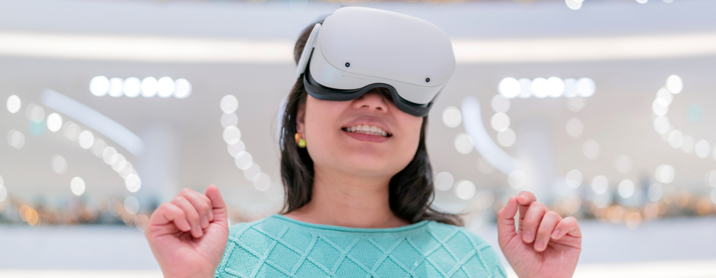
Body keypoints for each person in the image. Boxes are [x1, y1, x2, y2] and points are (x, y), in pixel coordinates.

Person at [145, 7, 581, 278]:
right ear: (299, 119)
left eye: (399, 93)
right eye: (347, 83)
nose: (374, 104)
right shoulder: (226, 257)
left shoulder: (467, 259)